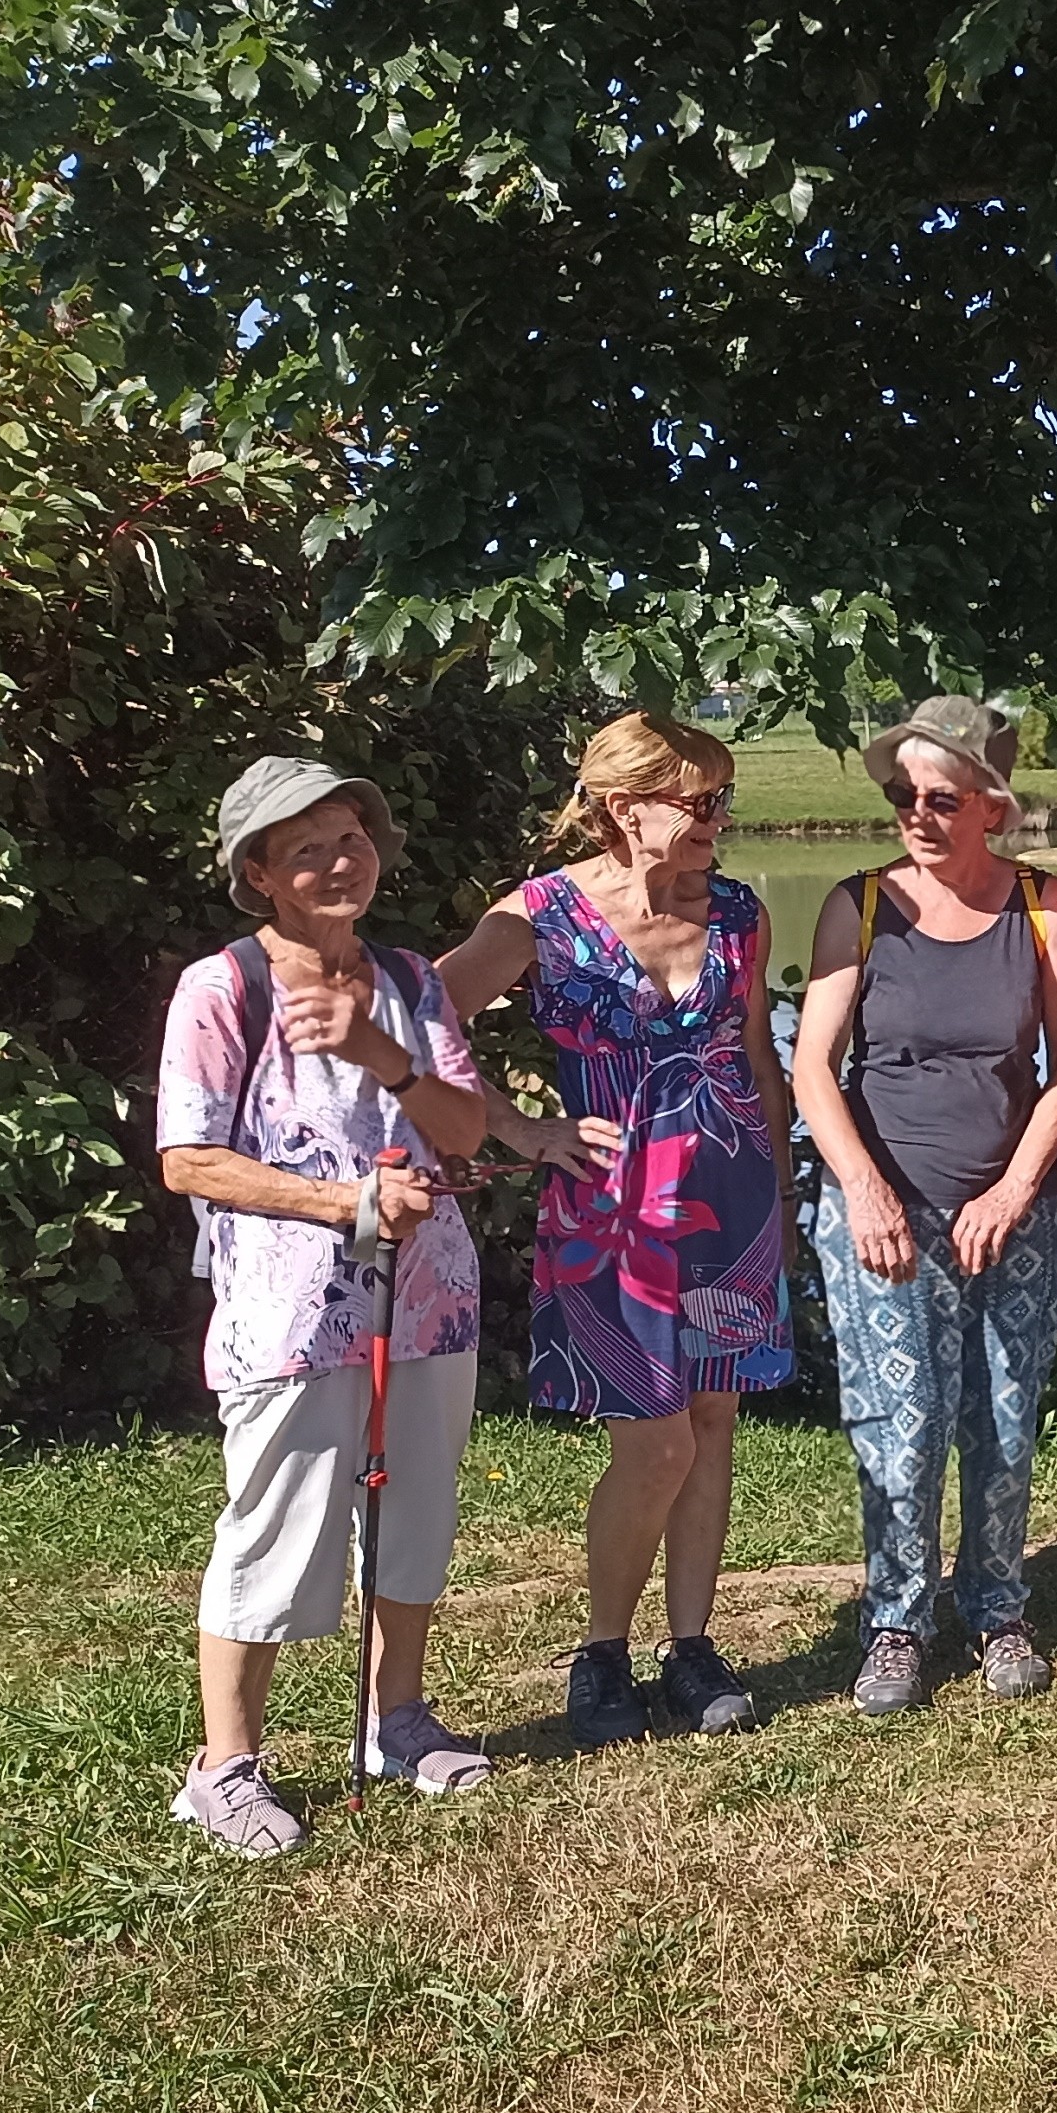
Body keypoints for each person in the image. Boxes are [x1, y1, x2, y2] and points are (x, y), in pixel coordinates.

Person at [155, 760, 498, 1854]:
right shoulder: (222, 990)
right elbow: (188, 1160)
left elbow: (465, 1131)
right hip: (291, 1312)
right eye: (305, 849)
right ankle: (223, 1769)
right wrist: (342, 1202)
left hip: (429, 1299)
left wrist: (377, 1053)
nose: (339, 862)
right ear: (259, 875)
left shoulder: (406, 978)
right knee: (275, 1533)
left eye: (351, 838)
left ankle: (396, 1722)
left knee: (414, 1519)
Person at [440, 711, 797, 1749]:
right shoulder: (539, 917)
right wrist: (514, 1125)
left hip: (728, 1202)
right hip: (612, 1211)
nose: (717, 819)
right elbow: (423, 1015)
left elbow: (757, 1058)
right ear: (622, 807)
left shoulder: (735, 913)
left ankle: (690, 1649)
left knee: (715, 1426)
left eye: (722, 799)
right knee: (656, 1443)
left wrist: (777, 1191)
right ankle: (602, 1652)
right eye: (698, 801)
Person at [794, 695, 1057, 1719]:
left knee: (1002, 1422)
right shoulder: (858, 905)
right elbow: (813, 1070)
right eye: (902, 794)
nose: (916, 813)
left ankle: (999, 1608)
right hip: (885, 1211)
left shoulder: (1048, 908)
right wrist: (863, 1188)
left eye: (940, 796)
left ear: (992, 808)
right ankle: (896, 1623)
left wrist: (1014, 1189)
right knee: (902, 1426)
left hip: (1014, 1213)